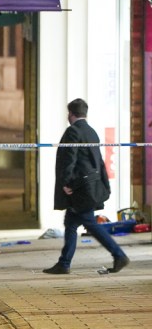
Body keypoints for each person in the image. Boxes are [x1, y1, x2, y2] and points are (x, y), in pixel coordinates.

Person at [43, 99, 129, 275]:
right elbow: (97, 161)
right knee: (71, 223)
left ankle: (119, 255)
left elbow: (70, 159)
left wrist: (66, 183)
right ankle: (64, 263)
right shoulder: (92, 132)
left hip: (80, 189)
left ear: (71, 114)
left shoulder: (73, 132)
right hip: (89, 187)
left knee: (90, 224)